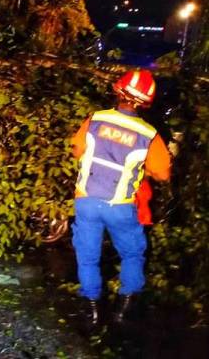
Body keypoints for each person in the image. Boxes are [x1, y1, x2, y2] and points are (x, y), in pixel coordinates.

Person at [71, 70, 171, 325]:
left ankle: (92, 312)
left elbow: (77, 151)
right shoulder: (149, 135)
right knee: (132, 254)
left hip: (87, 200)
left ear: (119, 91)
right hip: (121, 206)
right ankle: (123, 309)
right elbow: (162, 174)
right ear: (146, 101)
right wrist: (142, 169)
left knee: (88, 256)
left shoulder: (95, 119)